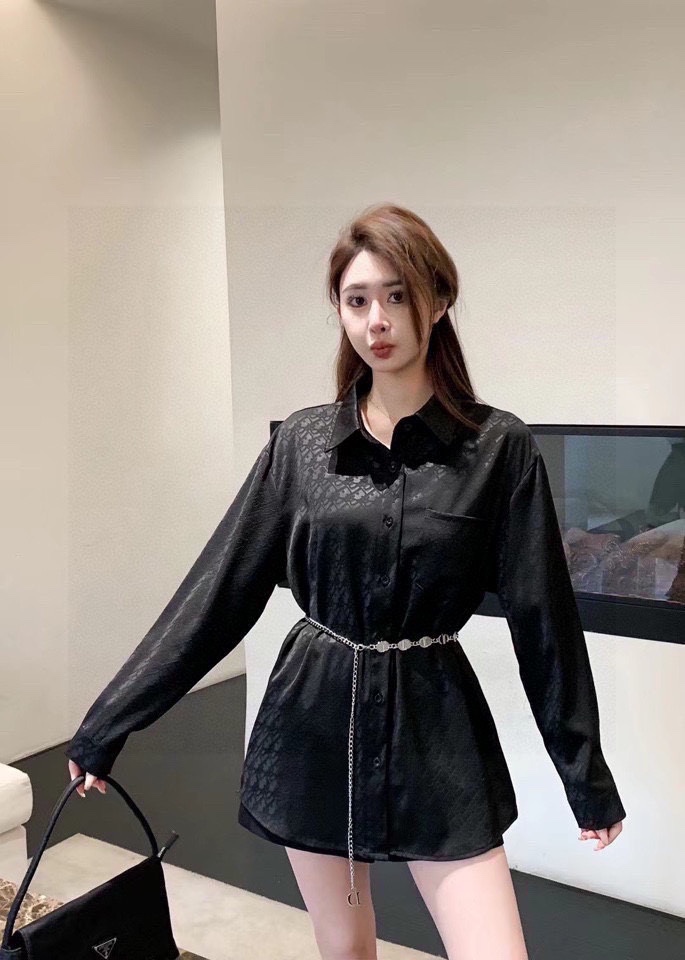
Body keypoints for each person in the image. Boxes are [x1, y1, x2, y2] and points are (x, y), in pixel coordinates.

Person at [66, 203, 626, 960]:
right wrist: (110, 720)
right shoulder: (302, 443)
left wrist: (584, 777)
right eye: (357, 300)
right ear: (338, 309)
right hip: (314, 718)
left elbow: (544, 622)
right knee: (344, 947)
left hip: (435, 724)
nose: (377, 321)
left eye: (397, 295)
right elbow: (219, 590)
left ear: (438, 299)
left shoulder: (498, 448)